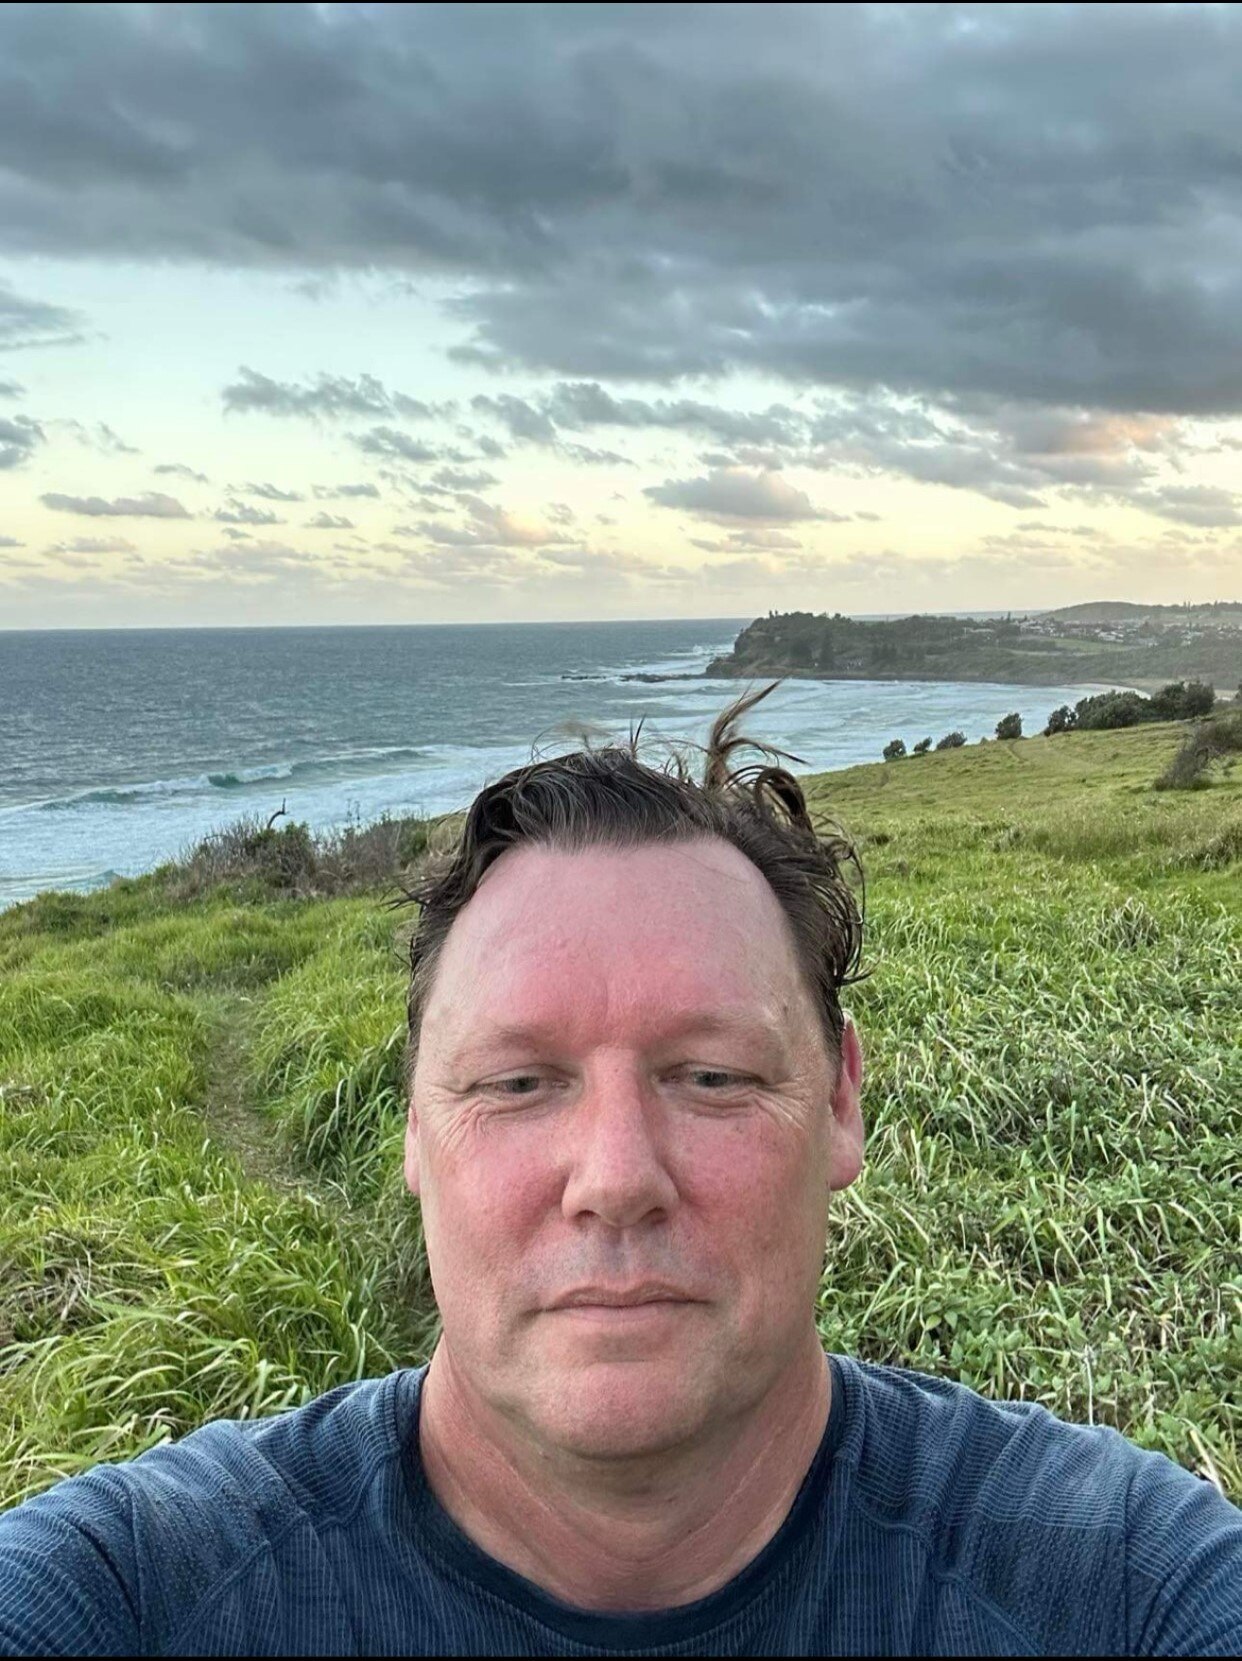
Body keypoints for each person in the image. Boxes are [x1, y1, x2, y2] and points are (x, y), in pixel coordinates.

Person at [1, 683, 1239, 1657]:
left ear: (842, 1099)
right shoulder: (138, 1587)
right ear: (413, 1133)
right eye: (516, 1081)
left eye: (710, 1074)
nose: (614, 1175)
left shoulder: (1122, 1581)